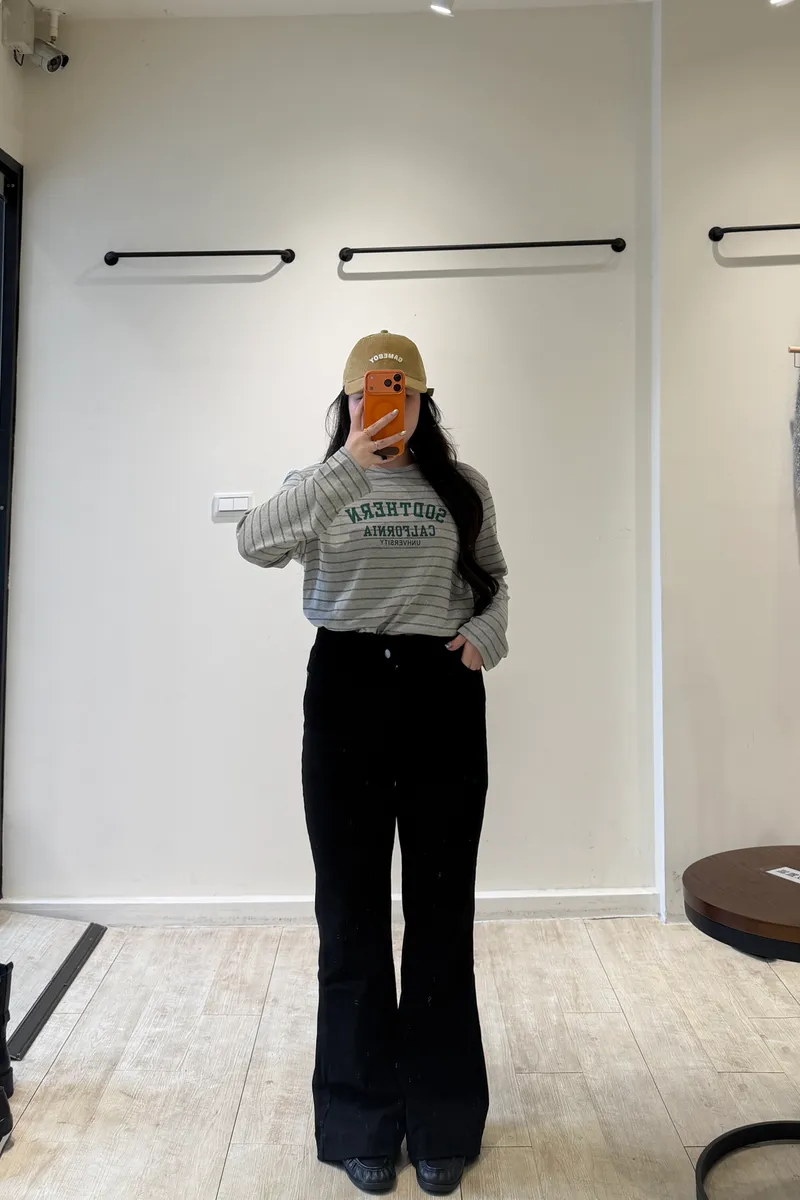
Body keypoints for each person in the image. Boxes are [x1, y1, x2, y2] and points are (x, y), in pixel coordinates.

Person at [237, 332, 509, 1196]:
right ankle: (359, 1122)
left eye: (402, 394)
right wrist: (346, 466)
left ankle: (441, 1121)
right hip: (347, 688)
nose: (385, 406)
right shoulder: (319, 485)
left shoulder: (462, 488)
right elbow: (253, 543)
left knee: (440, 912)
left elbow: (495, 579)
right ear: (348, 400)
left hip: (441, 692)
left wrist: (485, 638)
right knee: (350, 913)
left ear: (425, 402)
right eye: (368, 394)